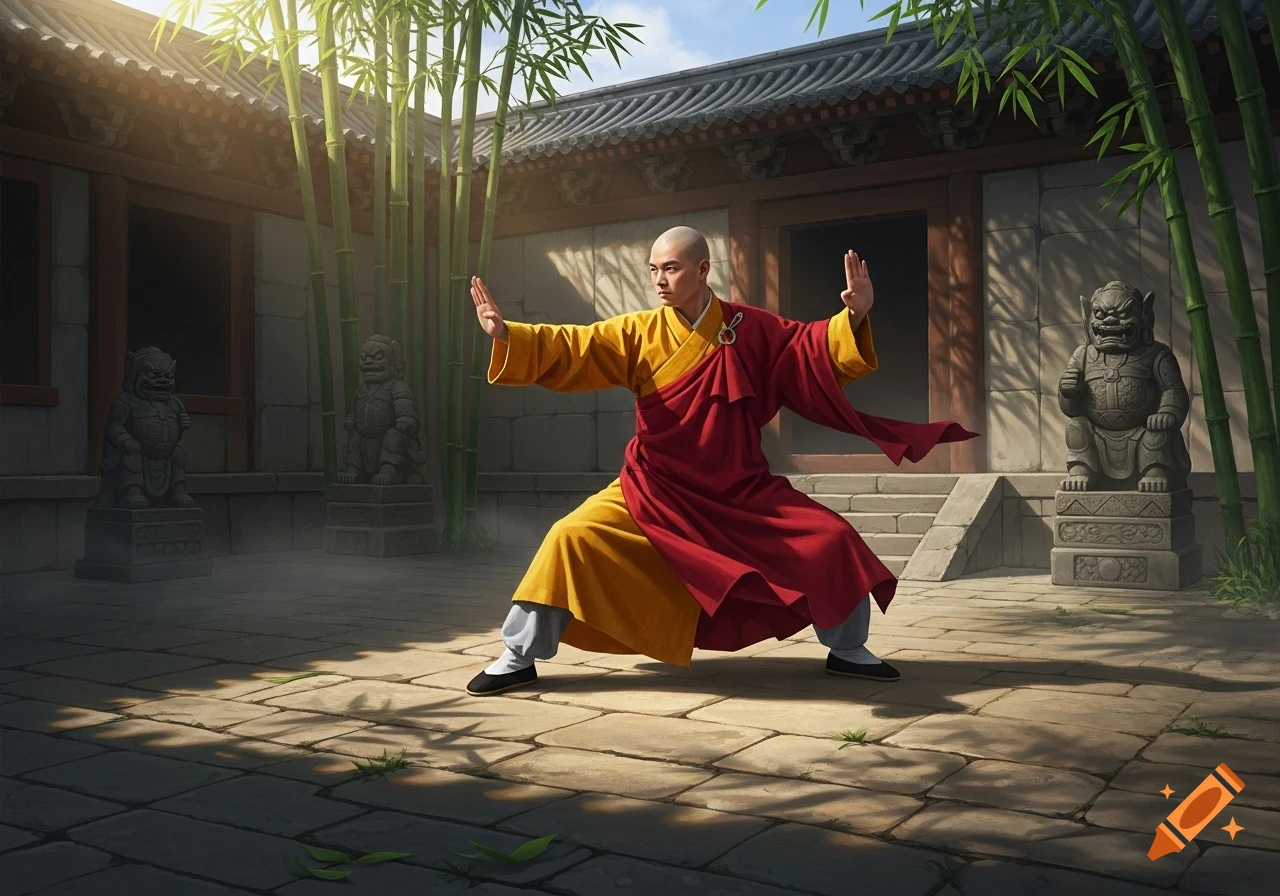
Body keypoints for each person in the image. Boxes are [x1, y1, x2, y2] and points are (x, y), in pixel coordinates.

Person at [464, 226, 976, 696]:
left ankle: (848, 649)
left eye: (670, 268)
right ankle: (517, 655)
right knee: (570, 537)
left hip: (739, 489)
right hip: (655, 487)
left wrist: (855, 317)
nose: (658, 280)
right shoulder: (638, 332)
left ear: (703, 269)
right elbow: (576, 346)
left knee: (831, 539)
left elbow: (807, 349)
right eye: (653, 269)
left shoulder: (749, 327)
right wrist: (510, 335)